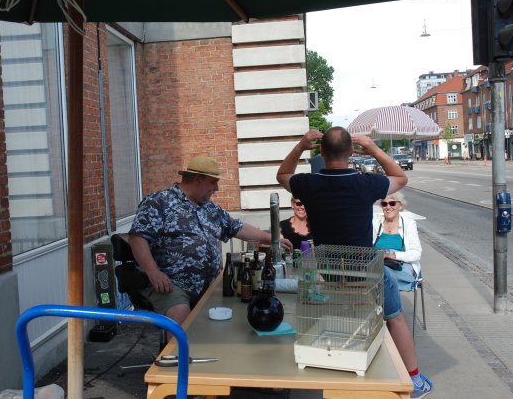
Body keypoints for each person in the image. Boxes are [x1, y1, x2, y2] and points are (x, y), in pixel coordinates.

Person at [277, 127, 433, 398]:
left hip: (328, 271)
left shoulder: (308, 184)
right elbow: (401, 176)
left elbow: (282, 175)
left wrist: (301, 145)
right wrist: (372, 148)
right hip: (366, 272)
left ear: (321, 151)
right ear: (351, 152)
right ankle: (414, 379)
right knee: (395, 318)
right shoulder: (366, 183)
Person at [129, 156, 292, 332]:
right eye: (213, 182)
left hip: (209, 284)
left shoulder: (210, 208)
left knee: (237, 306)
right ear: (198, 179)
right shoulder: (159, 201)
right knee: (179, 312)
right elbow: (137, 238)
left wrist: (273, 239)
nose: (217, 188)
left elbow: (238, 228)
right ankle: (177, 350)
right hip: (171, 284)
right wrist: (153, 272)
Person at [372, 192, 422, 291]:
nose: (388, 207)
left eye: (392, 203)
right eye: (384, 204)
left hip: (400, 264)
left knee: (383, 277)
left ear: (400, 206)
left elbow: (416, 253)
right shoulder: (375, 222)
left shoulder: (409, 224)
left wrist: (391, 255)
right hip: (377, 263)